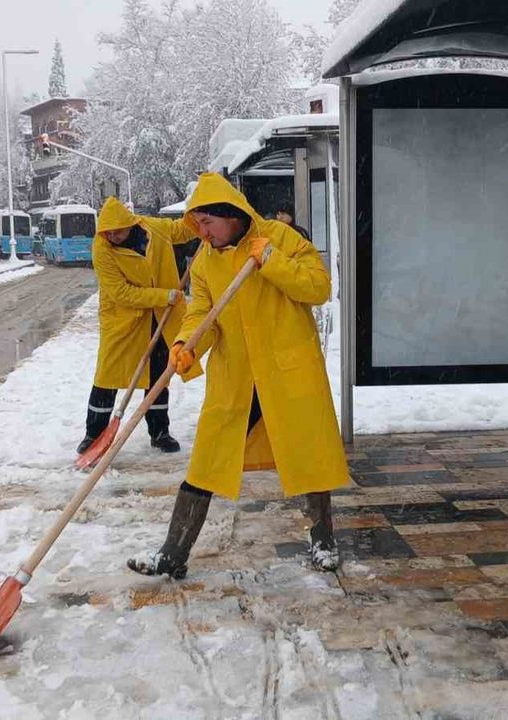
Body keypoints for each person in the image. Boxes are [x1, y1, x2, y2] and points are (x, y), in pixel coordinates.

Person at [127, 173, 349, 579]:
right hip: (237, 378)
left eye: (207, 223)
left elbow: (318, 287)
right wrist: (186, 344)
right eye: (197, 225)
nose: (202, 233)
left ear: (230, 215)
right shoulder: (205, 261)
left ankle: (324, 541)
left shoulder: (279, 238)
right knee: (207, 459)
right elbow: (202, 314)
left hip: (287, 373)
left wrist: (273, 261)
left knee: (308, 454)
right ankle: (173, 553)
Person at [79, 197, 202, 455]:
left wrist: (202, 216)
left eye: (118, 231)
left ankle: (160, 432)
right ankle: (93, 435)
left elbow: (181, 230)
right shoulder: (102, 248)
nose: (112, 236)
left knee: (158, 375)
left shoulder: (154, 228)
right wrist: (162, 296)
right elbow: (121, 293)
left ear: (130, 224)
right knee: (108, 377)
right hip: (123, 319)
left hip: (161, 317)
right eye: (107, 232)